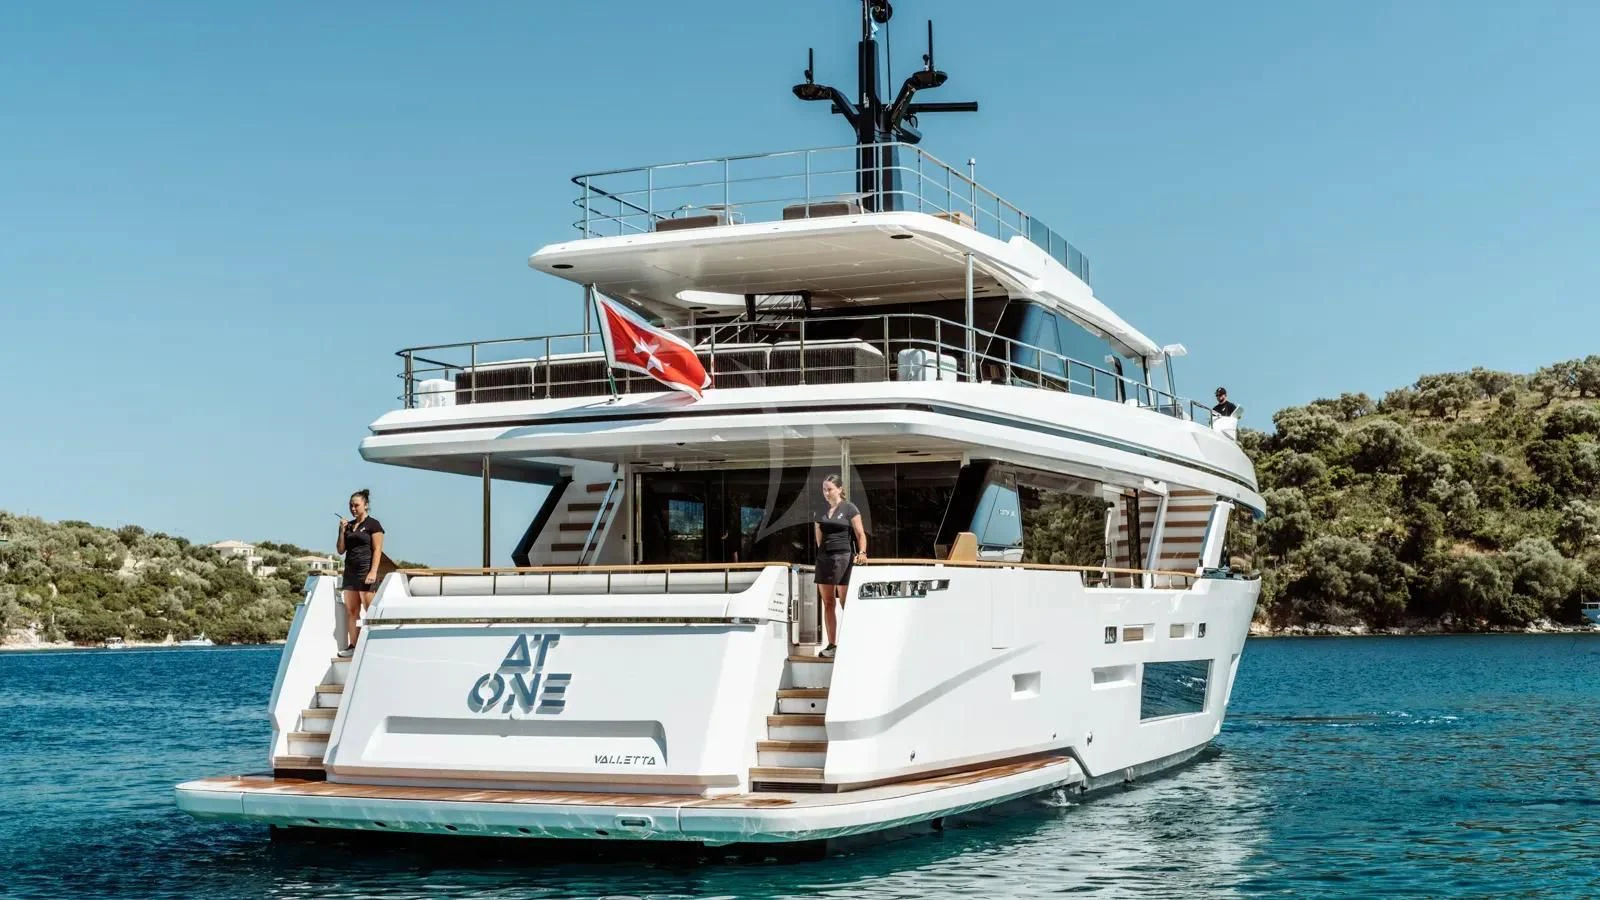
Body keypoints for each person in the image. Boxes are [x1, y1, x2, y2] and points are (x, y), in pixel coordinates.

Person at [813, 474, 867, 658]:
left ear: (840, 489)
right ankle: (832, 645)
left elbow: (860, 534)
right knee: (828, 602)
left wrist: (862, 553)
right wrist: (823, 555)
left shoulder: (849, 508)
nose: (826, 493)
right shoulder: (820, 511)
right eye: (824, 489)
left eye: (829, 489)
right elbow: (818, 538)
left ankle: (855, 640)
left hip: (843, 556)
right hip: (824, 558)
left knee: (845, 601)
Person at [336, 489, 385, 657]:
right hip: (350, 571)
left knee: (368, 608)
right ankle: (353, 646)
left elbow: (377, 549)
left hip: (366, 571)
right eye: (351, 505)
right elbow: (341, 550)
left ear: (365, 505)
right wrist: (342, 531)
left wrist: (373, 571)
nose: (353, 508)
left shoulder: (373, 525)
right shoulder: (349, 525)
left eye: (356, 505)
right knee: (352, 610)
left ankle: (371, 645)